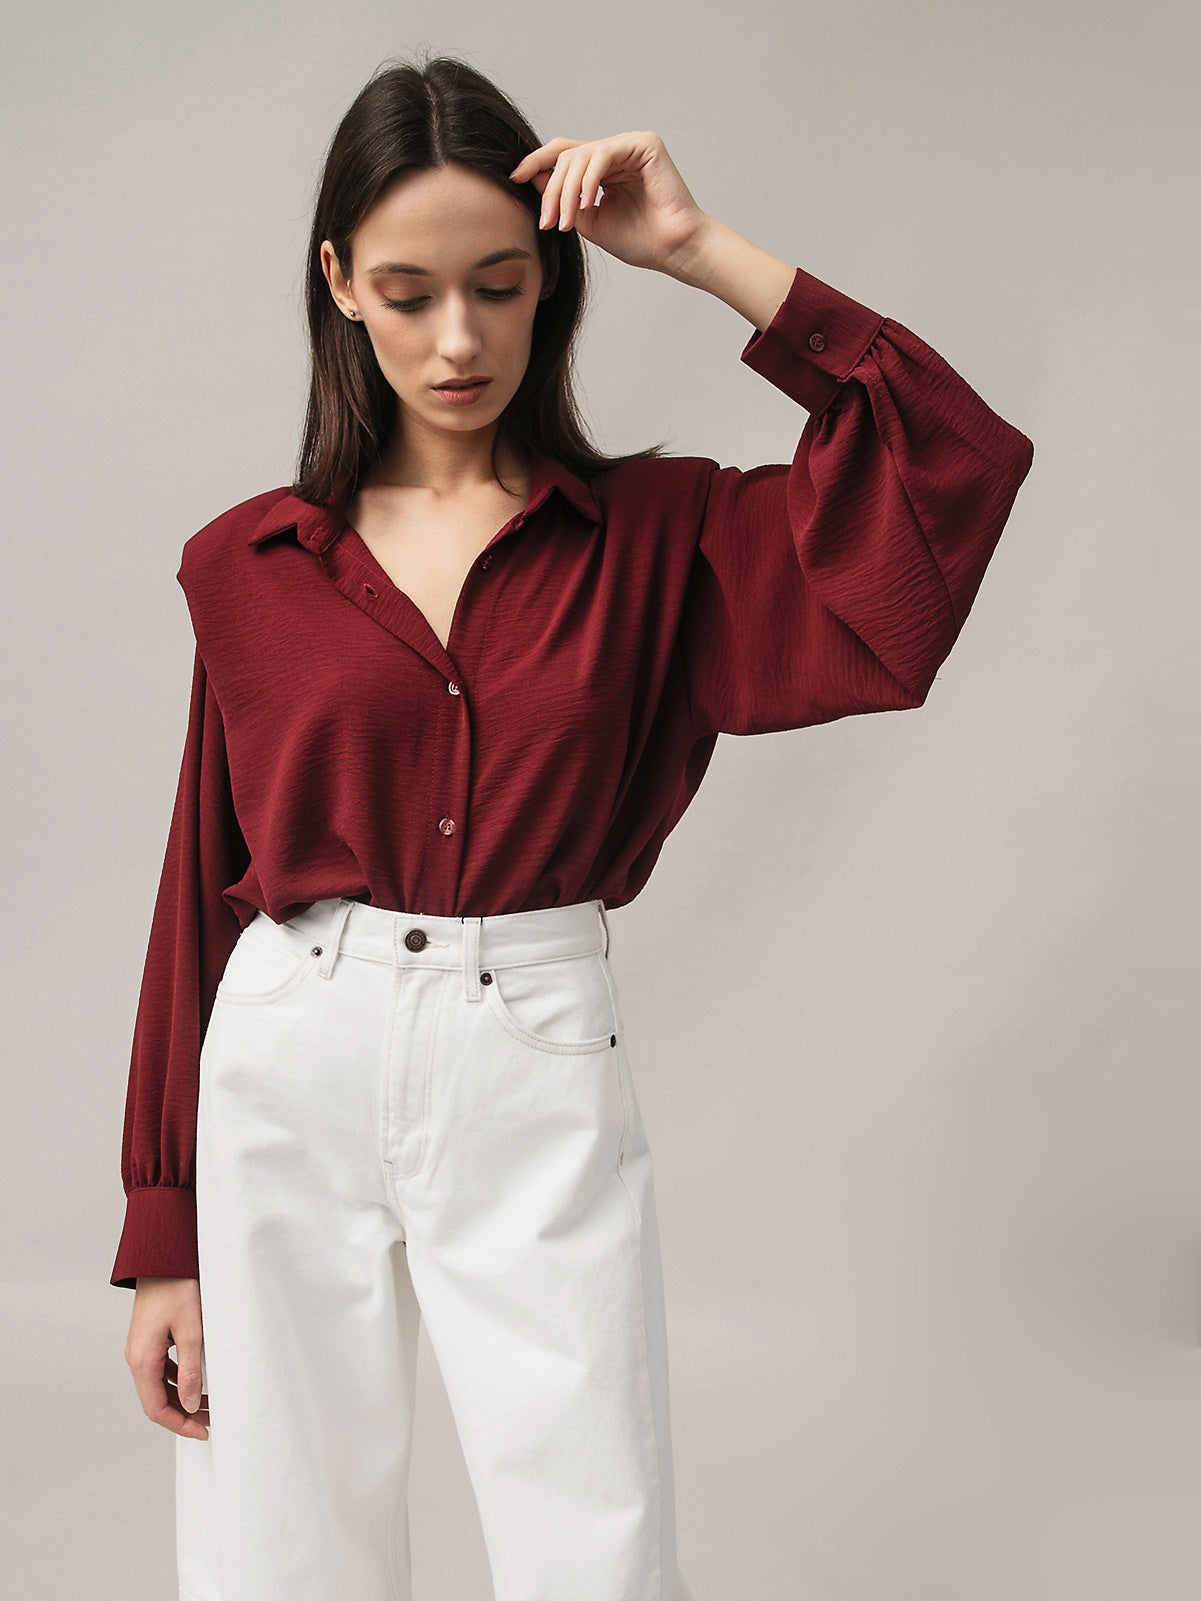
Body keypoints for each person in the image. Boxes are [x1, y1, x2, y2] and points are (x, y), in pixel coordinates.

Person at [112, 51, 1034, 1601]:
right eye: (407, 292)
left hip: (526, 1050)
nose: (457, 338)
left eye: (497, 285)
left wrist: (699, 249)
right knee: (276, 1546)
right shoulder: (247, 566)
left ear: (550, 279)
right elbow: (201, 885)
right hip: (285, 1054)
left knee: (590, 1538)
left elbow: (943, 471)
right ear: (337, 285)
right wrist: (164, 1228)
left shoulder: (665, 541)